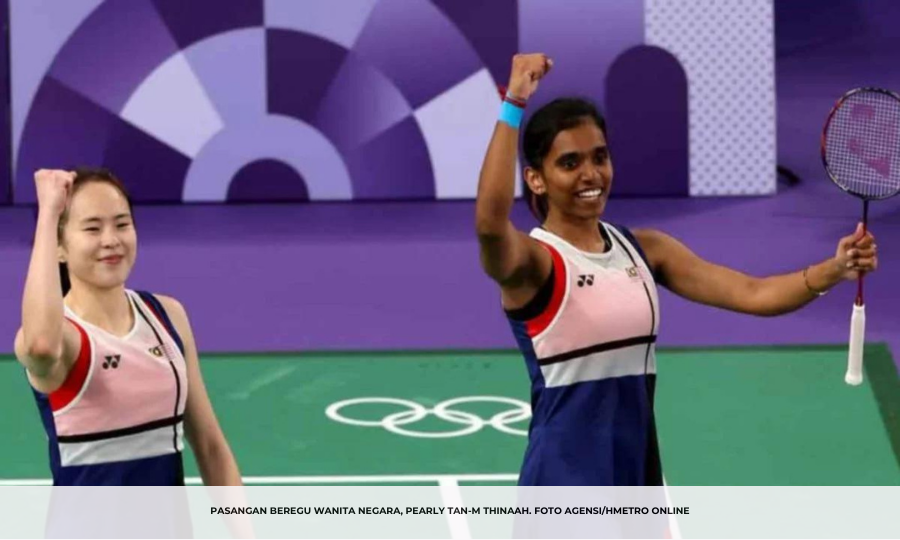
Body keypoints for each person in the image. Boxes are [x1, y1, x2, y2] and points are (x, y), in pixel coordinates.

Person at [475, 54, 878, 486]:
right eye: (570, 163)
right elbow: (490, 225)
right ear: (536, 179)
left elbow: (754, 294)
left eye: (600, 157)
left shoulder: (645, 250)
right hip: (563, 483)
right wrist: (514, 102)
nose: (591, 174)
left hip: (638, 478)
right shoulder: (535, 264)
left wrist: (835, 268)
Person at [15, 168, 243, 486]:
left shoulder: (166, 316)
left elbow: (210, 447)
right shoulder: (66, 338)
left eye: (122, 224)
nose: (111, 240)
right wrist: (49, 212)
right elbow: (40, 345)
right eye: (92, 228)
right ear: (59, 247)